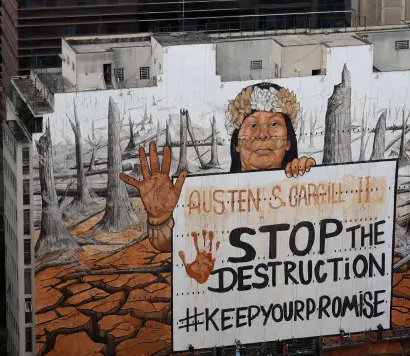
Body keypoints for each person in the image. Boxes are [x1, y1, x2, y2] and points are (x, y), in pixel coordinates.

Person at [120, 82, 315, 255]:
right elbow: (169, 244)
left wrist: (310, 181)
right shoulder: (212, 199)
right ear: (236, 143)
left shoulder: (308, 185)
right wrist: (159, 218)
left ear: (289, 141)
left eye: (274, 124)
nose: (263, 134)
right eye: (253, 124)